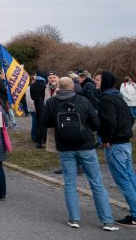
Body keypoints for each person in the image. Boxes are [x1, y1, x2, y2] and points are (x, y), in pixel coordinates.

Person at [44, 77, 119, 231]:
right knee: (96, 183)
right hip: (86, 146)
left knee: (70, 183)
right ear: (73, 87)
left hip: (65, 147)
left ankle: (74, 219)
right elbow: (96, 123)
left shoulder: (52, 102)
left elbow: (46, 123)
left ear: (58, 87)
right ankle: (107, 221)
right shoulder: (83, 101)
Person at [96, 71, 136, 227]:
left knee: (123, 180)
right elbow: (130, 118)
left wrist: (106, 139)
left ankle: (134, 215)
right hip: (125, 143)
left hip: (116, 144)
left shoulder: (107, 99)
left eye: (98, 79)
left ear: (105, 80)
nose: (95, 81)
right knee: (129, 176)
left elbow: (108, 122)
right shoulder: (118, 96)